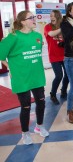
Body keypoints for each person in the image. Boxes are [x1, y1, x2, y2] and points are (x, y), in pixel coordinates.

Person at [0, 10, 49, 145]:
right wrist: (9, 67)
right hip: (21, 78)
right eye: (31, 17)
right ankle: (25, 132)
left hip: (37, 76)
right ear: (22, 22)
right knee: (26, 106)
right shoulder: (13, 36)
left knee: (41, 102)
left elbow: (35, 53)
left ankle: (39, 126)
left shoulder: (37, 36)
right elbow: (1, 54)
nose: (34, 19)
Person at [44, 10, 69, 105]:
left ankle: (63, 90)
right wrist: (63, 28)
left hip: (64, 55)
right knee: (59, 76)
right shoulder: (47, 26)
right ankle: (53, 94)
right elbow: (51, 34)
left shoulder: (62, 26)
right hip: (54, 56)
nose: (51, 17)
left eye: (53, 15)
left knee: (67, 75)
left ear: (58, 16)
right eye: (50, 15)